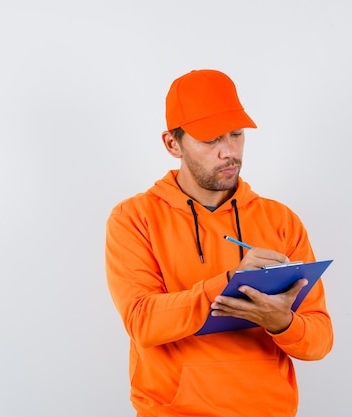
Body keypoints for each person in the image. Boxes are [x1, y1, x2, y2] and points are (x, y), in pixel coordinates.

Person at [105, 69, 333, 417]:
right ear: (172, 143)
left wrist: (282, 323)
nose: (229, 151)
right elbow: (142, 322)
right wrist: (226, 286)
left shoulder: (281, 220)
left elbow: (319, 340)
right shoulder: (134, 218)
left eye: (236, 135)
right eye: (211, 139)